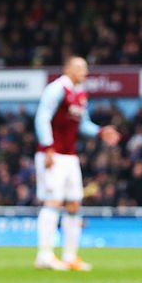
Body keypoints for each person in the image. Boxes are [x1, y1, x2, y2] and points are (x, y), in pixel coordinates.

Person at [33, 56, 120, 271]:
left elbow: (83, 124)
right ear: (67, 69)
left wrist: (101, 131)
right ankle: (44, 255)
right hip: (53, 154)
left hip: (70, 156)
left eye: (86, 68)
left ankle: (70, 256)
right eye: (80, 67)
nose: (85, 71)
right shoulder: (56, 89)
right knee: (53, 202)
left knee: (73, 204)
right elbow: (42, 117)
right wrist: (48, 147)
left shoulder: (80, 94)